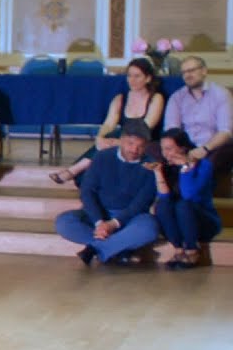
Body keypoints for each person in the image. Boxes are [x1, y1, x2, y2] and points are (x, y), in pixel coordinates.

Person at [54, 121, 158, 265]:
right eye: (130, 143)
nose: (134, 149)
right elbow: (87, 191)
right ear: (121, 140)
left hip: (130, 217)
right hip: (100, 214)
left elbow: (142, 203)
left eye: (140, 146)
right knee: (64, 223)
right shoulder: (102, 157)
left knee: (149, 229)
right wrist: (99, 222)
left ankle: (96, 249)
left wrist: (114, 224)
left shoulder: (151, 165)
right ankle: (119, 247)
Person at [51, 58, 164, 185]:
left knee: (118, 135)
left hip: (143, 141)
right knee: (108, 138)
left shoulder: (156, 98)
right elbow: (109, 123)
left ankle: (73, 170)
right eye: (129, 76)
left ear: (148, 78)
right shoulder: (121, 98)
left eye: (137, 76)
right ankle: (77, 172)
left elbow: (146, 127)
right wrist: (100, 137)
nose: (131, 80)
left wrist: (120, 142)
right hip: (119, 140)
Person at [149, 128, 222, 269]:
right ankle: (179, 250)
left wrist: (185, 167)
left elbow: (189, 195)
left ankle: (192, 251)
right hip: (178, 222)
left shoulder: (204, 165)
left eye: (169, 149)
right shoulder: (165, 166)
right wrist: (158, 173)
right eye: (163, 149)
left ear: (183, 148)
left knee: (183, 205)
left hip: (202, 220)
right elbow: (164, 197)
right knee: (163, 206)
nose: (166, 154)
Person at [163, 55, 233, 196]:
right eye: (184, 72)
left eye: (191, 70)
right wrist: (178, 150)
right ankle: (175, 194)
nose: (187, 75)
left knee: (210, 161)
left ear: (204, 71)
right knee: (152, 150)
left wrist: (205, 149)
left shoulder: (221, 94)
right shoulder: (177, 97)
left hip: (213, 147)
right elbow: (171, 129)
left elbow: (226, 131)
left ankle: (187, 196)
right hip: (185, 146)